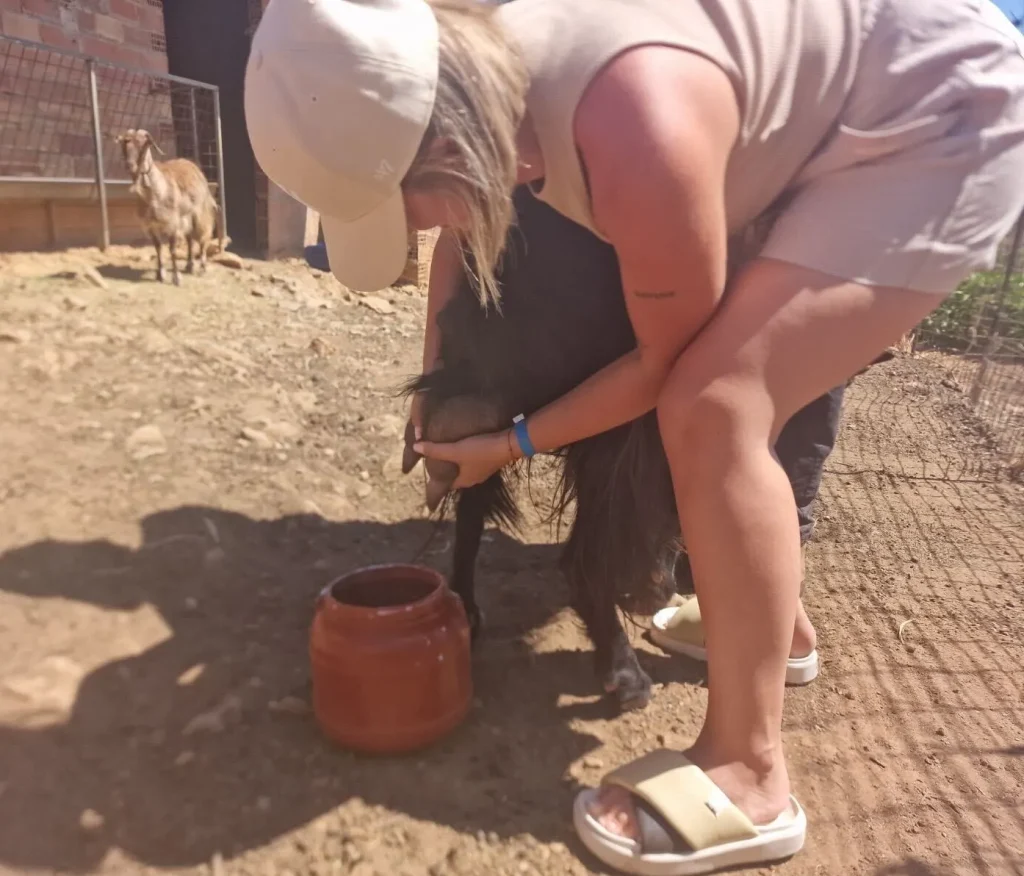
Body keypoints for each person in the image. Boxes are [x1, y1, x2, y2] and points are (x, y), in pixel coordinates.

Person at [243, 0, 1024, 872]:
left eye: (409, 209)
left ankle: (751, 772)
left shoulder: (633, 124)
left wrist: (511, 445)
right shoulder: (498, 79)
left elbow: (661, 368)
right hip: (822, 114)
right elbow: (459, 249)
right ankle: (781, 632)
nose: (420, 228)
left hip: (931, 125)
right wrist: (436, 394)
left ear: (451, 153)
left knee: (717, 400)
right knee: (740, 372)